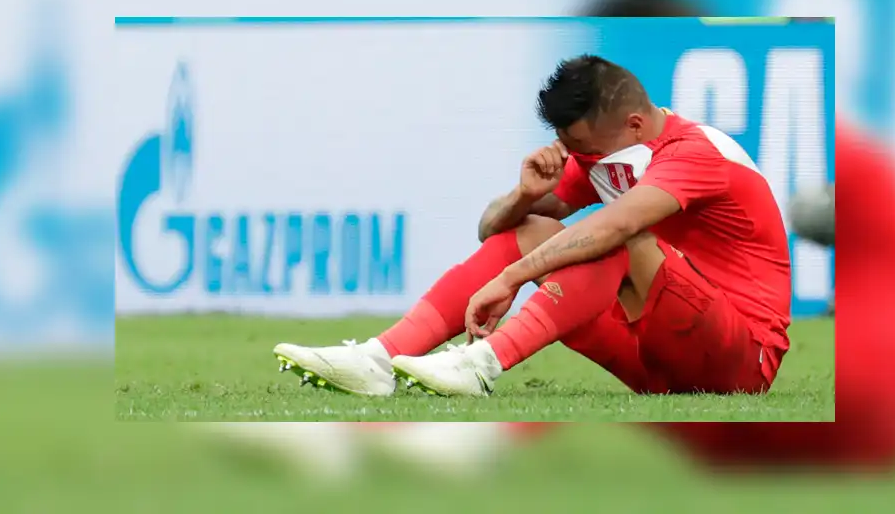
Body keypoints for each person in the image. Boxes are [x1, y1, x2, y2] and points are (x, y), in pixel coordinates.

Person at [274, 54, 792, 397]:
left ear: (633, 124)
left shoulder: (694, 152)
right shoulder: (608, 152)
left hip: (741, 360)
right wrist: (524, 195)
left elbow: (614, 229)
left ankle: (482, 364)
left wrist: (511, 279)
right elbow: (491, 232)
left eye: (585, 146)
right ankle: (379, 359)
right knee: (527, 234)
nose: (578, 158)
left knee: (615, 237)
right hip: (659, 359)